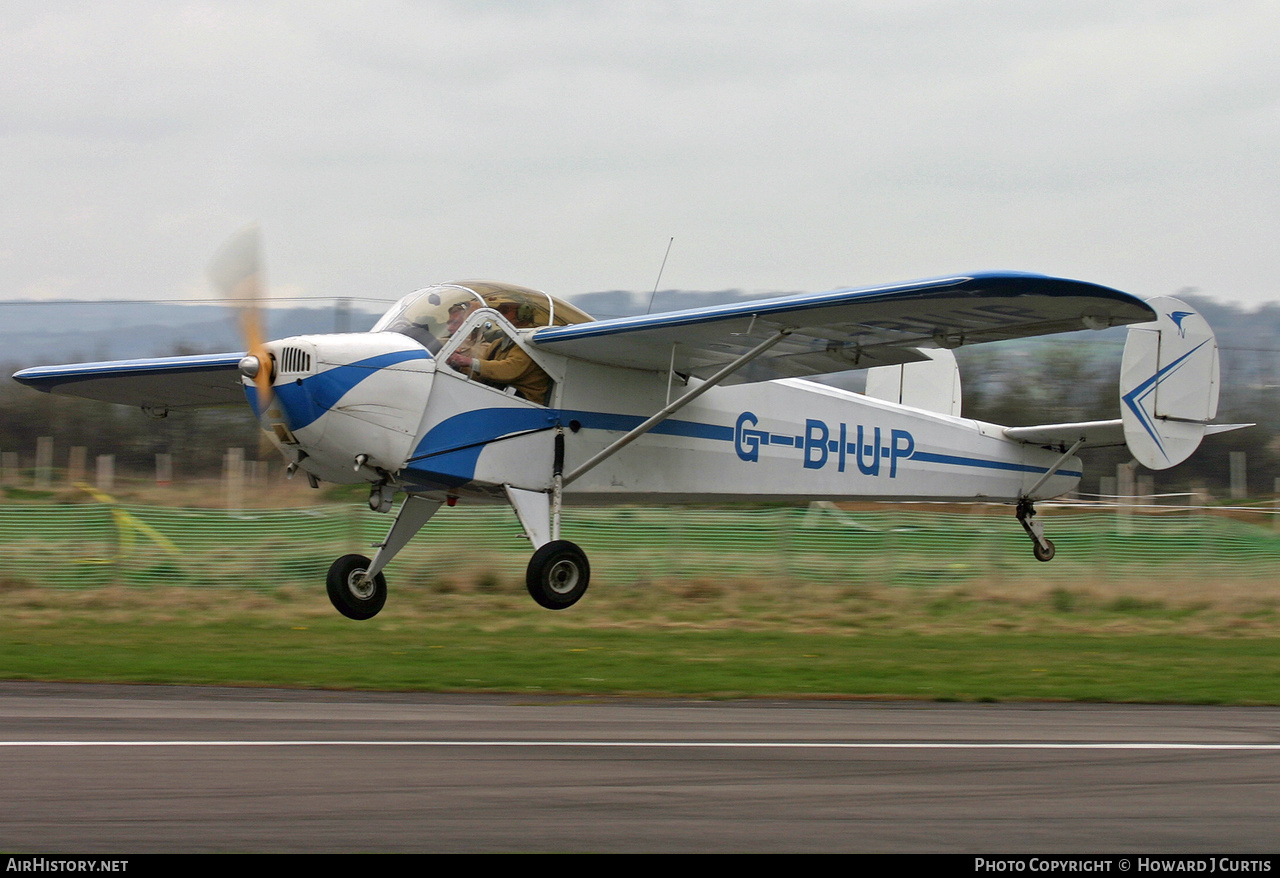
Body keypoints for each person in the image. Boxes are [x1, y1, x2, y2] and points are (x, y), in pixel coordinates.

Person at [446, 302, 551, 403]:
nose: (499, 315)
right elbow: (482, 374)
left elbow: (510, 370)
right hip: (500, 397)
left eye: (504, 311)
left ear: (522, 314)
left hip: (524, 404)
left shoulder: (529, 343)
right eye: (498, 311)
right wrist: (458, 365)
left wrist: (469, 361)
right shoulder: (498, 343)